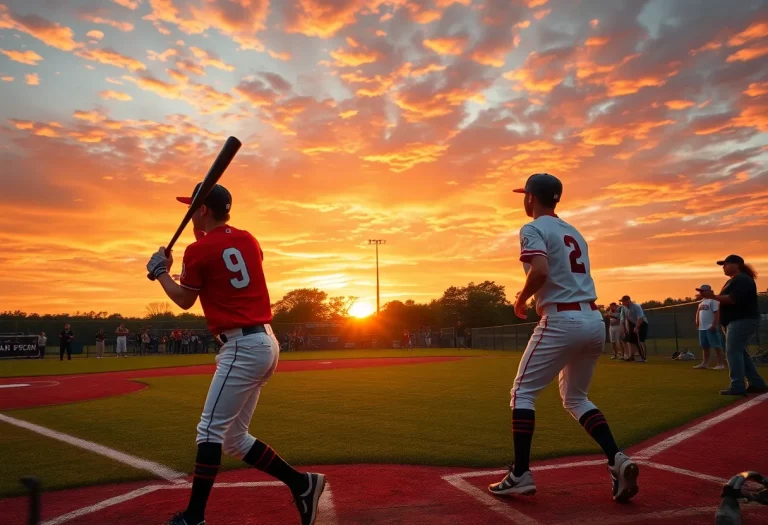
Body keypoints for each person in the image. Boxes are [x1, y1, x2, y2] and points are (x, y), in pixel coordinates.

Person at [146, 183, 325, 525]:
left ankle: (193, 518)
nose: (187, 212)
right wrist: (178, 262)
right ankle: (302, 484)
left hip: (241, 346)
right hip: (265, 343)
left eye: (192, 207)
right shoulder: (248, 239)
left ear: (201, 210)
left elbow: (185, 299)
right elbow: (229, 264)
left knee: (209, 431)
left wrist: (160, 272)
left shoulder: (197, 250)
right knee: (233, 438)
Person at [489, 173, 638, 502]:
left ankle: (520, 475)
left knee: (522, 392)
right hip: (592, 318)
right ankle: (617, 459)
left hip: (562, 318)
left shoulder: (532, 228)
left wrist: (520, 299)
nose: (523, 200)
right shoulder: (574, 231)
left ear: (530, 197)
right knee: (576, 398)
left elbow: (540, 271)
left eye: (524, 195)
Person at [697, 255, 767, 396]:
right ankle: (757, 383)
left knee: (733, 352)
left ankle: (737, 385)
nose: (723, 267)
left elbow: (733, 299)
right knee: (740, 352)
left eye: (726, 264)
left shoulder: (742, 280)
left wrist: (712, 296)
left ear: (737, 264)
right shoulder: (734, 281)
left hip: (741, 320)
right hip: (736, 321)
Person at [694, 285, 726, 370]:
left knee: (716, 345)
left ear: (709, 291)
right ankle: (705, 363)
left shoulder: (713, 301)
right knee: (704, 346)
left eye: (702, 291)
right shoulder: (702, 302)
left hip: (710, 327)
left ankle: (720, 364)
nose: (701, 292)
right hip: (702, 328)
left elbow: (716, 313)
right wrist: (697, 321)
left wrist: (714, 324)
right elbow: (698, 312)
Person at [620, 296, 647, 362]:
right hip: (633, 324)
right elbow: (627, 318)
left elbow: (640, 318)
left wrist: (637, 327)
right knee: (630, 340)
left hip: (642, 324)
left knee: (639, 341)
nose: (622, 303)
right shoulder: (625, 308)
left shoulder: (636, 306)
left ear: (628, 301)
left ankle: (643, 358)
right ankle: (631, 357)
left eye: (623, 301)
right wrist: (627, 328)